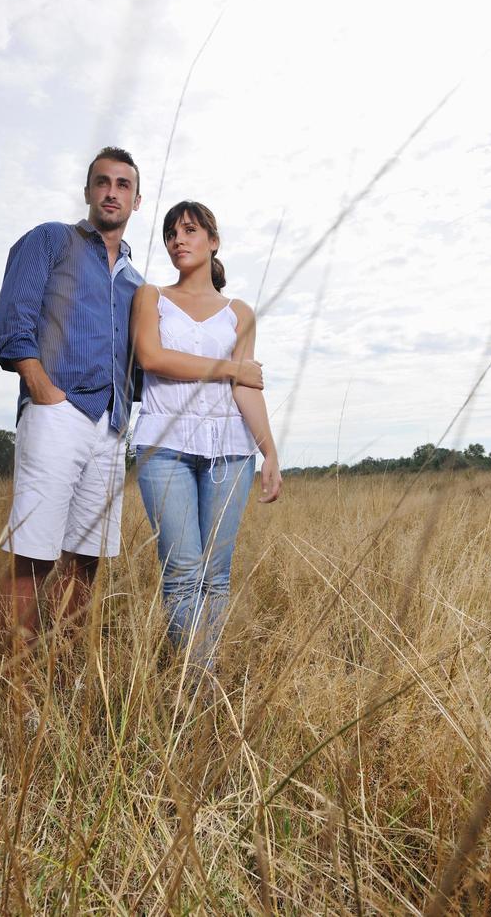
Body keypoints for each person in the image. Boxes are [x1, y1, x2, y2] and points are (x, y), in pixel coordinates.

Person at [0, 151, 264, 649]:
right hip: (58, 411)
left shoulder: (138, 285)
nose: (111, 192)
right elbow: (14, 317)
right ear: (89, 191)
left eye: (123, 185)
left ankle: (63, 670)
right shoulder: (52, 240)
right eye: (102, 183)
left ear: (136, 201)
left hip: (113, 426)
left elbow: (140, 367)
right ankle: (15, 684)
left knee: (85, 557)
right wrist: (41, 388)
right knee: (33, 552)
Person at [130, 200, 282, 675]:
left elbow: (247, 387)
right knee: (181, 572)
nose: (178, 239)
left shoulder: (240, 313)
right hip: (164, 447)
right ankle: (192, 685)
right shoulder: (151, 296)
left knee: (216, 576)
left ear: (213, 241)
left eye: (190, 230)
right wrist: (231, 366)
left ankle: (205, 675)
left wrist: (269, 452)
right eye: (171, 233)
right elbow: (152, 359)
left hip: (231, 452)